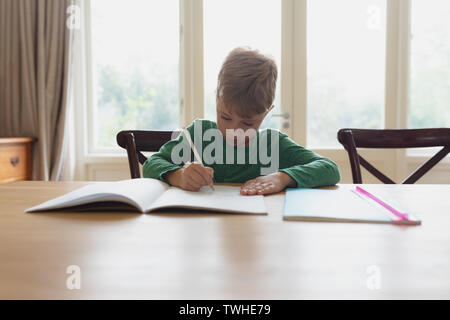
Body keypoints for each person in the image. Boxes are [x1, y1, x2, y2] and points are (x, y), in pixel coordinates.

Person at [143, 47, 340, 195]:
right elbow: (152, 163)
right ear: (217, 101)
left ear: (266, 113)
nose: (233, 130)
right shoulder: (198, 135)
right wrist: (178, 176)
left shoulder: (273, 144)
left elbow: (330, 169)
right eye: (225, 117)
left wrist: (284, 177)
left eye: (247, 123)